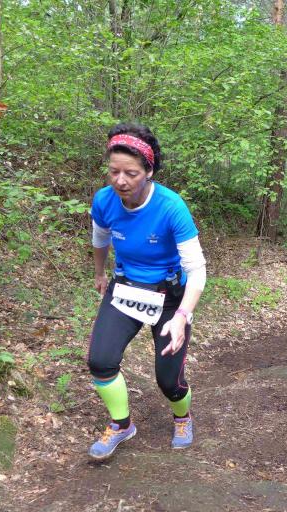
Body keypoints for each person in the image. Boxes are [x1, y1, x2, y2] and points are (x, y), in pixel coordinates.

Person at [86, 123, 206, 459]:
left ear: (149, 171)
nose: (120, 181)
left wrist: (182, 315)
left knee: (169, 380)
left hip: (169, 296)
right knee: (100, 361)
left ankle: (182, 417)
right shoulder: (104, 200)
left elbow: (197, 269)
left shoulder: (170, 206)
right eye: (114, 172)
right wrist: (99, 272)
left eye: (131, 173)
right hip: (125, 288)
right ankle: (121, 424)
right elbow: (100, 238)